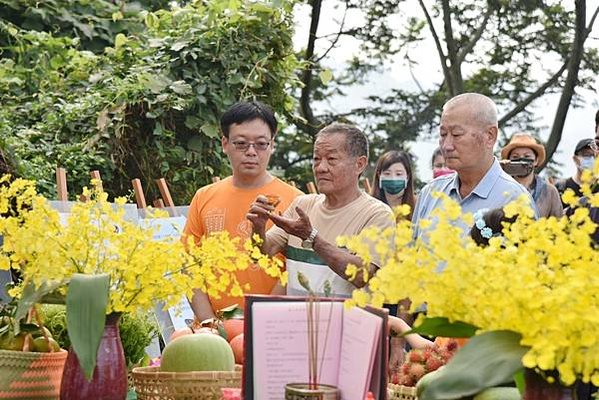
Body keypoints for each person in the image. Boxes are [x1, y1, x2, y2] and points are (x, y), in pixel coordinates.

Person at [183, 101, 302, 321]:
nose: (251, 152)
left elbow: (295, 270)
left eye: (260, 144)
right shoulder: (204, 197)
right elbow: (189, 265)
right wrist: (210, 323)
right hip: (212, 333)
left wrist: (260, 320)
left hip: (272, 325)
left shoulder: (296, 201)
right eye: (241, 143)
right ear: (225, 144)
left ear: (272, 145)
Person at [247, 123, 395, 297]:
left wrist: (312, 239)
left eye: (331, 159)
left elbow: (362, 275)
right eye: (316, 159)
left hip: (348, 323)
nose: (321, 167)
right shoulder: (302, 205)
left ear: (359, 164)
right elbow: (260, 254)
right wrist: (258, 227)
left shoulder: (377, 214)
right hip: (295, 322)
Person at [411, 93, 535, 239]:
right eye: (443, 134)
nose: (446, 145)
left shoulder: (515, 200)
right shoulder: (430, 194)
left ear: (490, 136)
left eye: (457, 135)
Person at [500, 132, 563, 218]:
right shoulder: (500, 188)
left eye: (527, 156)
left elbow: (558, 224)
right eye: (515, 157)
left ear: (536, 160)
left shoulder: (549, 191)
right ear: (509, 160)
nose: (522, 159)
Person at [371, 150, 416, 220]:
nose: (393, 178)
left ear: (407, 177)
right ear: (379, 175)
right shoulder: (369, 206)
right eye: (387, 174)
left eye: (398, 174)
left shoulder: (418, 205)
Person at [555, 138, 598, 209]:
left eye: (595, 156)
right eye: (587, 155)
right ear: (575, 159)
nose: (592, 159)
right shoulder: (561, 187)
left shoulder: (597, 187)